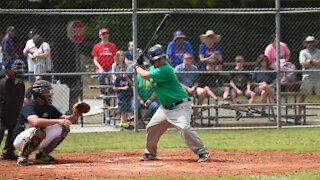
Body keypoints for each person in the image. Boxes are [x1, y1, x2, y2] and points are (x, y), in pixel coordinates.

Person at [134, 44, 210, 162]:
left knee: (184, 128)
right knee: (152, 127)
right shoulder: (154, 68)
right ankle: (150, 153)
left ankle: (202, 152)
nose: (160, 60)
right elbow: (147, 71)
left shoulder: (165, 69)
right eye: (157, 59)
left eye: (161, 58)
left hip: (180, 106)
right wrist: (140, 64)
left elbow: (145, 75)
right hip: (164, 108)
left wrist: (137, 66)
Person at [13, 80, 83, 166]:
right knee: (38, 131)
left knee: (64, 128)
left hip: (38, 137)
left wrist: (76, 114)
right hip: (20, 141)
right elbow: (36, 122)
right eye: (46, 92)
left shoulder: (48, 107)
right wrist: (57, 121)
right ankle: (23, 156)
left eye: (49, 91)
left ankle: (42, 155)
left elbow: (66, 120)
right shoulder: (29, 107)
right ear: (38, 94)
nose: (49, 94)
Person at [0, 60, 26, 160]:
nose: (19, 71)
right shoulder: (2, 81)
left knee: (14, 129)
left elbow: (19, 100)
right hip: (1, 112)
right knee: (1, 129)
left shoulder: (19, 83)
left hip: (12, 112)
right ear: (7, 70)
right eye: (15, 69)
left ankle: (8, 152)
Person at [297, 36, 320, 124]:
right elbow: (304, 64)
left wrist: (310, 62)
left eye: (312, 42)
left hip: (318, 76)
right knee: (302, 96)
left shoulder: (319, 52)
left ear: (315, 43)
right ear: (306, 43)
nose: (310, 44)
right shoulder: (303, 52)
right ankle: (299, 116)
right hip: (307, 77)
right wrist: (314, 62)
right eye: (309, 42)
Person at [131, 62, 158, 129]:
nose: (146, 68)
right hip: (139, 100)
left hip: (150, 100)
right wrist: (140, 100)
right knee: (135, 106)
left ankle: (150, 121)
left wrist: (150, 100)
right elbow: (135, 91)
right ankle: (140, 121)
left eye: (147, 66)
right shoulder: (137, 77)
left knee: (154, 106)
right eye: (144, 66)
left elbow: (156, 90)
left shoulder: (153, 77)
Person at [91, 28, 118, 96]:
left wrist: (114, 66)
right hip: (101, 67)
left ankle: (111, 91)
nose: (105, 36)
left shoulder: (112, 46)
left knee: (114, 75)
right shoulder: (97, 46)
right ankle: (103, 91)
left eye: (106, 34)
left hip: (110, 67)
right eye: (103, 34)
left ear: (108, 35)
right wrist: (100, 68)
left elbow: (115, 58)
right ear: (100, 36)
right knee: (101, 75)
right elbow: (95, 60)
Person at [229, 56, 256, 120]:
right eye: (238, 62)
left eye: (241, 62)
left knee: (253, 94)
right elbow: (231, 83)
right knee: (233, 94)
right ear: (235, 63)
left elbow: (249, 82)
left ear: (243, 63)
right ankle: (237, 112)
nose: (239, 63)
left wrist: (248, 89)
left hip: (244, 88)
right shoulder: (233, 71)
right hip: (236, 88)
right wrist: (237, 90)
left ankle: (249, 110)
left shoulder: (245, 71)